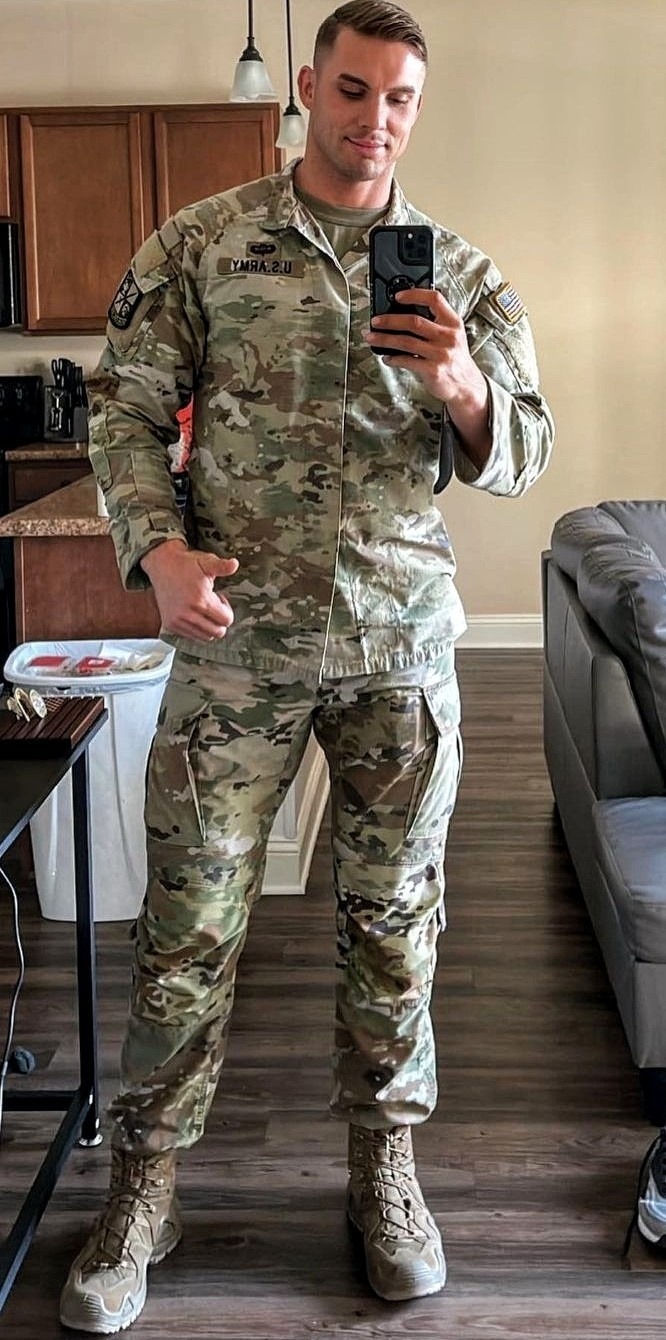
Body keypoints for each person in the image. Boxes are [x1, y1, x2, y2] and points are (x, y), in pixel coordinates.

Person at [59, 1, 554, 1331]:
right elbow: (122, 406)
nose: (373, 119)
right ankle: (144, 1189)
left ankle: (385, 1171)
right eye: (351, 89)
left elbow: (525, 452)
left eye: (399, 98)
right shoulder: (203, 242)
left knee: (395, 923)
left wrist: (462, 390)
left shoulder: (461, 275)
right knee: (188, 920)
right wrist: (155, 550)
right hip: (239, 648)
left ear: (416, 109)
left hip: (399, 647)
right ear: (308, 84)